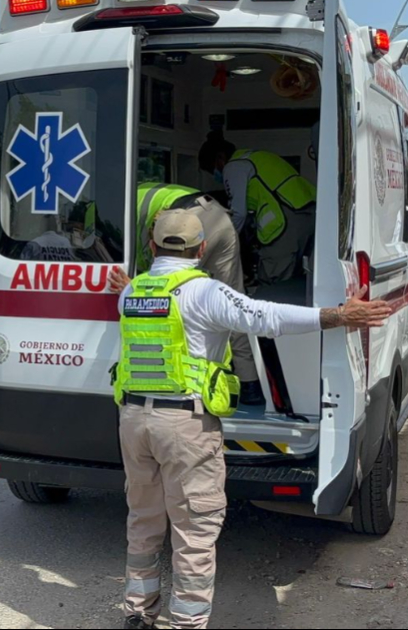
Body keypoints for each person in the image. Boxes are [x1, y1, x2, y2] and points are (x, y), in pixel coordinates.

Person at [115, 209, 392, 629]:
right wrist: (336, 315)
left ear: (152, 246)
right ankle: (186, 623)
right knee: (194, 528)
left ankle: (138, 612)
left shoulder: (131, 292)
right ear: (201, 249)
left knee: (144, 517)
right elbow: (266, 317)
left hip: (134, 420)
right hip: (184, 425)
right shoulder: (203, 292)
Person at [130, 182, 262, 406]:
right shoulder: (135, 190)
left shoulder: (104, 213)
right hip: (218, 217)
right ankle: (250, 384)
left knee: (174, 303)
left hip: (184, 224)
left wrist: (132, 287)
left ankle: (186, 383)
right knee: (232, 301)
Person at [197, 131, 317, 286]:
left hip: (284, 221)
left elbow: (239, 212)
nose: (215, 175)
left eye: (211, 169)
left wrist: (224, 241)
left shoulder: (233, 167)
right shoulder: (254, 156)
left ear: (220, 158)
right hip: (307, 213)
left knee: (274, 279)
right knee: (296, 278)